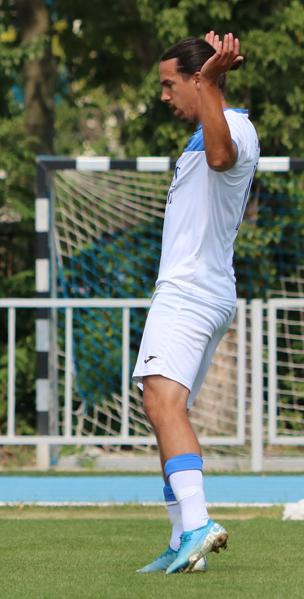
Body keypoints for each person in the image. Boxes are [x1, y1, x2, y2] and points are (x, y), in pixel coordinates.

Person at [133, 32, 258, 575]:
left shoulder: (232, 128)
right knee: (161, 407)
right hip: (199, 291)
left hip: (190, 292)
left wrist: (208, 80)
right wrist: (209, 79)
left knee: (162, 402)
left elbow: (221, 155)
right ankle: (183, 539)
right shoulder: (210, 128)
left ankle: (199, 524)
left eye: (170, 84)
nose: (164, 95)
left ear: (197, 79)